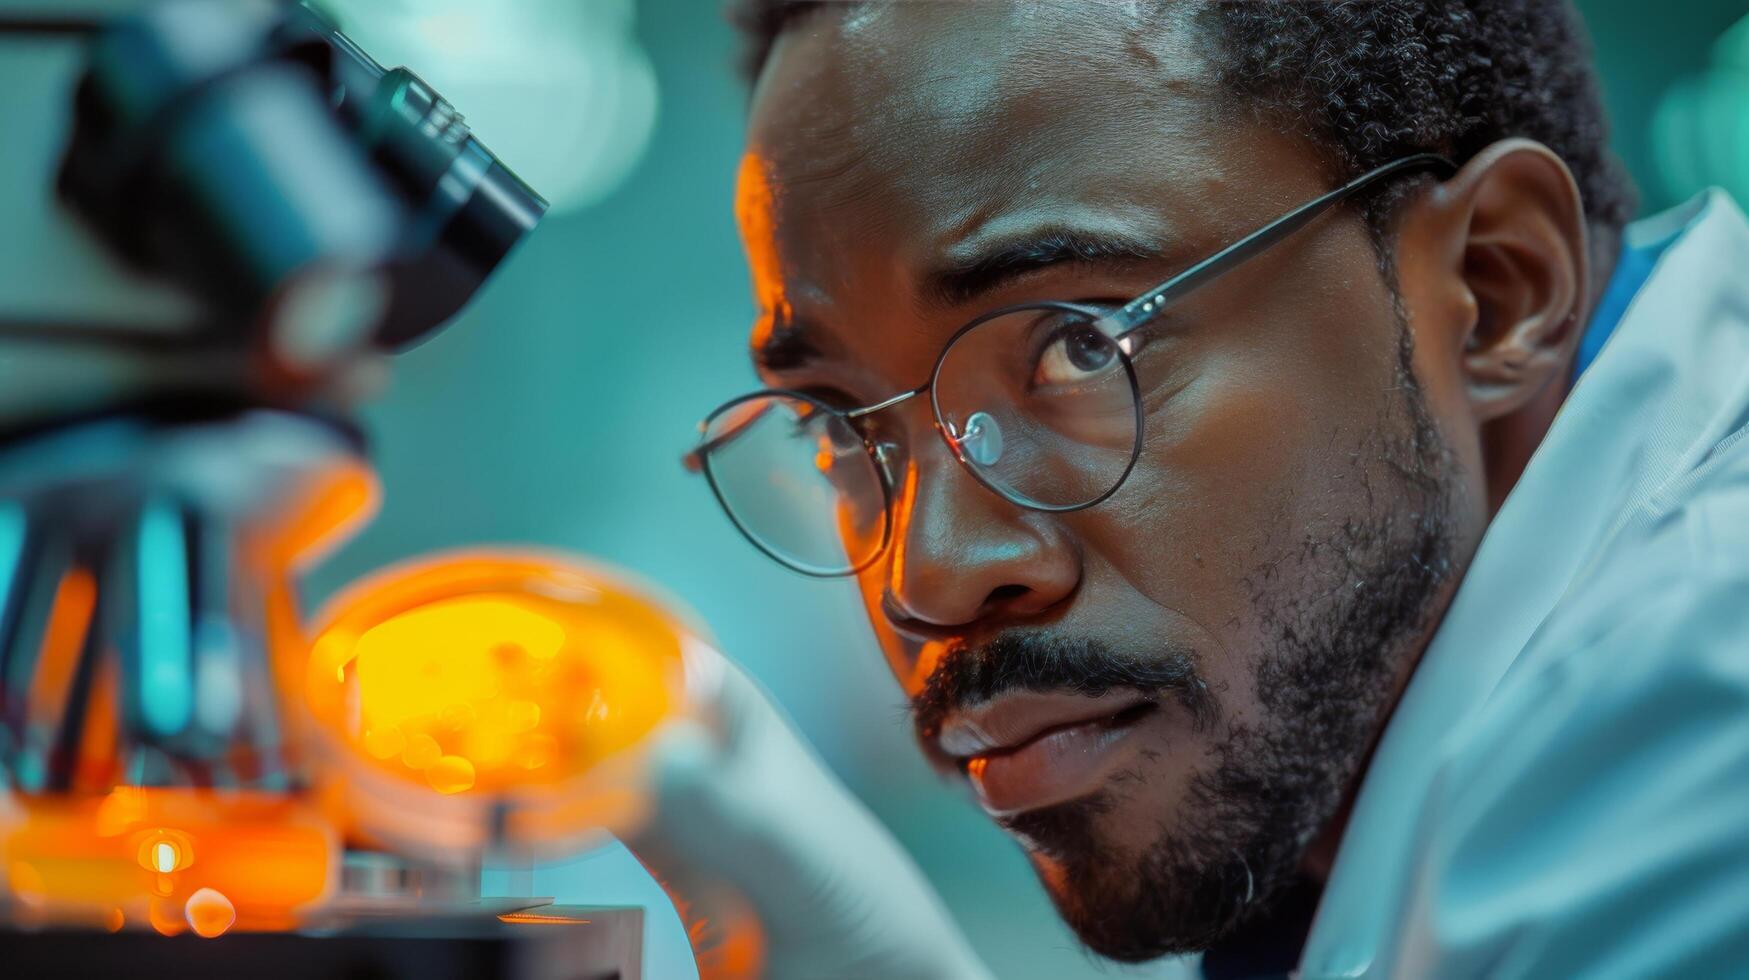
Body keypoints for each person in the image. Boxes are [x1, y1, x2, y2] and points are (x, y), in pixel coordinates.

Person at [624, 2, 1749, 977]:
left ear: (1495, 287)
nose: (930, 578)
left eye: (1075, 350)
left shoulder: (1703, 714)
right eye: (834, 419)